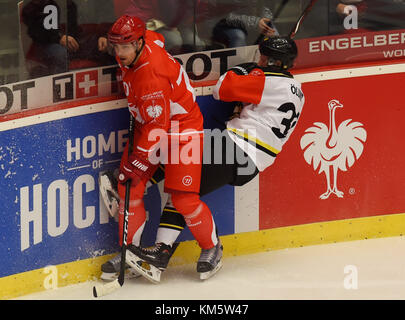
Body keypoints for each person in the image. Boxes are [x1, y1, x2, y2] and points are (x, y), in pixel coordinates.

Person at [100, 35, 305, 283]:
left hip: (235, 148)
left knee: (182, 148)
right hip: (250, 160)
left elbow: (223, 88)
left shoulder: (268, 81)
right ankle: (161, 253)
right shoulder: (296, 91)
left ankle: (135, 184)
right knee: (183, 192)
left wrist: (245, 68)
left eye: (263, 57)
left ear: (274, 62)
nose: (259, 60)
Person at [100, 15, 222, 282]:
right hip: (153, 124)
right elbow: (160, 37)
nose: (119, 53)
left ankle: (212, 247)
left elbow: (159, 127)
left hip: (181, 130)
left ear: (139, 43)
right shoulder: (146, 42)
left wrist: (140, 161)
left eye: (125, 46)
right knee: (127, 187)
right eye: (116, 46)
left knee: (183, 200)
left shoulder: (150, 77)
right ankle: (130, 254)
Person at [22, 0, 114, 77]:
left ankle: (113, 80)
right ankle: (60, 88)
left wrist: (104, 36)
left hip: (72, 42)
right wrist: (58, 38)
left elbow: (76, 30)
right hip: (47, 43)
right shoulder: (36, 6)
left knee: (104, 44)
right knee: (60, 52)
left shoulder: (70, 5)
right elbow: (35, 32)